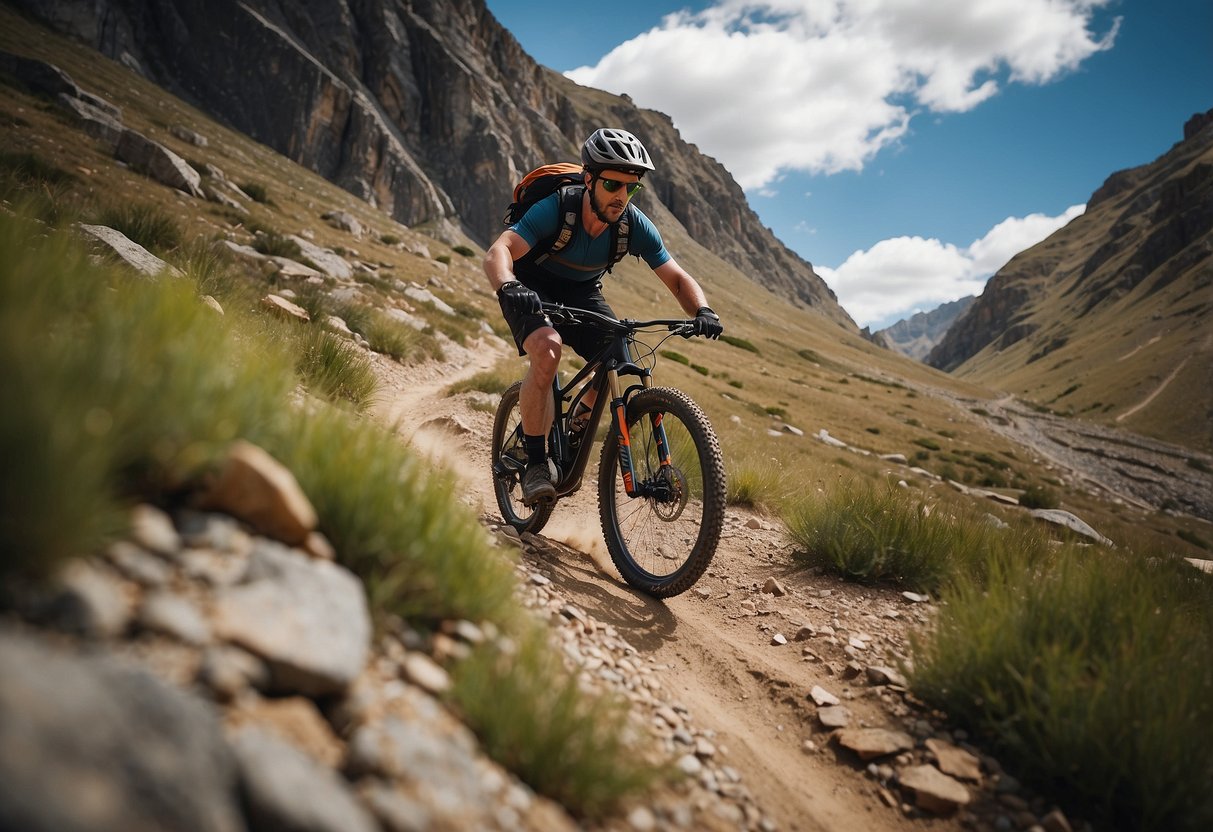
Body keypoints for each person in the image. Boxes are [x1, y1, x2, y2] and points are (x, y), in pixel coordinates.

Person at [484, 127, 724, 505]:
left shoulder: (633, 224)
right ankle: (534, 464)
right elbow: (500, 250)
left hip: (582, 293)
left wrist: (702, 310)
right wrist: (509, 286)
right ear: (589, 178)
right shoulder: (557, 208)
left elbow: (676, 277)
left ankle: (576, 428)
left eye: (631, 188)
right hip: (530, 287)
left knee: (621, 361)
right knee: (547, 350)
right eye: (612, 184)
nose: (621, 196)